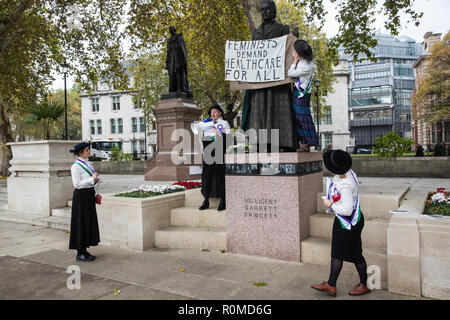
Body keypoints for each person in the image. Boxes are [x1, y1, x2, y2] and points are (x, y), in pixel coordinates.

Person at [311, 149, 371, 297]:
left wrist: (329, 204)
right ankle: (331, 285)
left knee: (356, 255)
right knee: (337, 252)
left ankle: (364, 285)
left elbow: (347, 209)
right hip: (343, 222)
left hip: (350, 223)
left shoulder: (345, 184)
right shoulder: (346, 172)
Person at [247, 0, 297, 152]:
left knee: (278, 109)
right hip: (260, 81)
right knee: (260, 109)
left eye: (268, 9)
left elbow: (290, 51)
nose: (264, 12)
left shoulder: (283, 29)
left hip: (278, 80)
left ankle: (283, 142)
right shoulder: (256, 32)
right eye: (262, 10)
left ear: (274, 11)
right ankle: (261, 143)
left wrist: (293, 38)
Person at [69, 142, 101, 262]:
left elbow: (90, 180)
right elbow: (76, 184)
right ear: (81, 152)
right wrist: (91, 179)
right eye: (87, 150)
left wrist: (96, 180)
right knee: (81, 222)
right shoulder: (76, 167)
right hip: (81, 197)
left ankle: (85, 249)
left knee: (88, 222)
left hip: (89, 195)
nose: (89, 151)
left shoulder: (89, 164)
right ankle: (79, 252)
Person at [287, 39, 318, 152]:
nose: (293, 51)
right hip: (302, 93)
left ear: (299, 53)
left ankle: (306, 144)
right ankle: (304, 143)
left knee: (301, 118)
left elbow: (291, 73)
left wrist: (294, 60)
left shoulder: (305, 66)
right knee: (300, 117)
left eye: (295, 50)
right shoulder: (307, 63)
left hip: (301, 94)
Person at [199, 105, 231, 211]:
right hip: (209, 152)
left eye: (215, 112)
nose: (213, 113)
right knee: (206, 176)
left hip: (219, 151)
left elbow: (228, 139)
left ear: (220, 113)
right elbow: (204, 140)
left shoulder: (224, 123)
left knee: (220, 176)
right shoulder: (206, 124)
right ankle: (206, 200)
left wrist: (219, 133)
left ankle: (223, 201)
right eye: (211, 112)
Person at [166, 26, 191, 94]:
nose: (170, 31)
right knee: (172, 73)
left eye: (171, 29)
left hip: (178, 57)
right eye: (169, 30)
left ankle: (180, 88)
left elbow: (182, 47)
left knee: (178, 72)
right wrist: (167, 61)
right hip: (172, 58)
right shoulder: (169, 40)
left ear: (174, 30)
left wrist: (184, 58)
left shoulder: (179, 37)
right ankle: (174, 88)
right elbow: (168, 51)